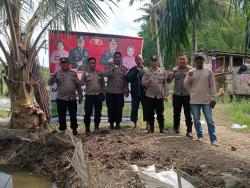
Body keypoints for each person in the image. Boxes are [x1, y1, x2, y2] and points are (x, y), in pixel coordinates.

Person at [184, 53, 218, 146]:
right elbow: (186, 84)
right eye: (197, 59)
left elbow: (213, 85)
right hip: (194, 100)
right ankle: (200, 137)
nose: (199, 61)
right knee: (196, 119)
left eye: (201, 59)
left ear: (203, 60)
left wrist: (213, 98)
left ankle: (213, 139)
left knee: (209, 120)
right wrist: (190, 80)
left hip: (206, 100)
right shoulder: (191, 72)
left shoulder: (209, 71)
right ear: (195, 61)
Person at [48, 57, 83, 135]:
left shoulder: (74, 73)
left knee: (73, 115)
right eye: (63, 63)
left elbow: (77, 85)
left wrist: (80, 95)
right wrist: (54, 76)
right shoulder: (57, 73)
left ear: (68, 64)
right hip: (61, 99)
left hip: (72, 98)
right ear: (60, 64)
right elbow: (49, 83)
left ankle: (74, 130)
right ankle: (63, 131)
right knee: (62, 116)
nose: (64, 64)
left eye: (66, 63)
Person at [167, 53, 193, 138]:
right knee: (176, 113)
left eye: (183, 59)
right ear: (178, 61)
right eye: (180, 59)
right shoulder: (174, 70)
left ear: (187, 60)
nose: (182, 61)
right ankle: (176, 129)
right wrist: (169, 76)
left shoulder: (191, 70)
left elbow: (194, 81)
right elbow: (169, 81)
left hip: (187, 95)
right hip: (177, 94)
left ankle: (189, 131)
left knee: (188, 114)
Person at [142, 55, 168, 133]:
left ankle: (161, 129)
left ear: (158, 62)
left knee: (160, 113)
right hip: (150, 95)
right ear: (150, 62)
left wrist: (166, 95)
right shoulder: (147, 71)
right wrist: (147, 82)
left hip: (160, 96)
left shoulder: (162, 71)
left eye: (155, 60)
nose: (154, 62)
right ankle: (151, 129)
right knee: (150, 113)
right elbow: (142, 83)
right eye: (152, 61)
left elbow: (165, 84)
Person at [103, 51, 129, 129]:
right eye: (115, 57)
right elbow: (105, 74)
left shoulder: (124, 68)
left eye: (118, 57)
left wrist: (126, 89)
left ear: (120, 59)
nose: (117, 59)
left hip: (120, 92)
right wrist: (112, 69)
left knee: (119, 108)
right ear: (113, 58)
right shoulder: (109, 66)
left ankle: (118, 123)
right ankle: (111, 123)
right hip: (110, 92)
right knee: (110, 108)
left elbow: (125, 80)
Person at [80, 57, 105, 134]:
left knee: (98, 112)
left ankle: (96, 127)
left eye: (93, 63)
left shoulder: (99, 73)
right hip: (89, 96)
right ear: (88, 64)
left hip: (98, 95)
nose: (92, 64)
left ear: (95, 63)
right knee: (88, 112)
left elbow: (103, 84)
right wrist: (80, 80)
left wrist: (103, 93)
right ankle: (87, 129)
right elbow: (81, 83)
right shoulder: (85, 73)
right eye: (90, 63)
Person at [125, 54, 148, 129]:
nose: (138, 61)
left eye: (140, 59)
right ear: (135, 61)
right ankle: (135, 124)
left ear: (143, 60)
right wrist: (136, 70)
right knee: (134, 109)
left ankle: (148, 124)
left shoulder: (147, 70)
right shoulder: (132, 70)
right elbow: (128, 78)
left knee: (146, 108)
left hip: (145, 93)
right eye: (137, 59)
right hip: (135, 93)